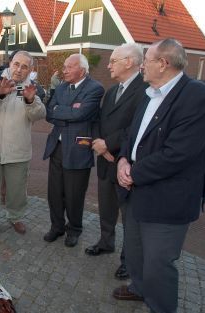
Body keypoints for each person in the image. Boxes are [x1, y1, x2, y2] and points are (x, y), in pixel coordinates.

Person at [114, 38, 205, 313]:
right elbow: (131, 135)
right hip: (135, 189)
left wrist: (132, 172)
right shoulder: (150, 93)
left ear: (163, 63)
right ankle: (138, 288)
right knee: (134, 250)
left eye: (146, 61)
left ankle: (160, 306)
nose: (141, 67)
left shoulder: (197, 96)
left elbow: (179, 154)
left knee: (159, 262)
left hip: (167, 198)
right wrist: (123, 158)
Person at [85, 43, 148, 281]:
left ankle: (128, 260)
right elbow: (98, 120)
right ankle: (106, 241)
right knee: (106, 206)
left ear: (129, 62)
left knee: (129, 215)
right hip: (105, 160)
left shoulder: (145, 90)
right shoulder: (111, 91)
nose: (108, 65)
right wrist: (100, 146)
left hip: (126, 163)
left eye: (113, 60)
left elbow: (137, 127)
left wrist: (109, 145)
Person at [0, 50, 46, 237]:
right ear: (10, 63)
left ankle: (15, 217)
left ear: (30, 70)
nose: (19, 70)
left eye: (25, 67)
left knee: (17, 188)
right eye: (16, 64)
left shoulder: (33, 88)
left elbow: (39, 114)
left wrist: (30, 101)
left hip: (18, 149)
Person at [42, 54, 104, 247]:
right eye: (65, 67)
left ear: (82, 70)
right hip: (57, 147)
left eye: (69, 67)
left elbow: (81, 113)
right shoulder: (60, 87)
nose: (64, 70)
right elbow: (49, 112)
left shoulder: (95, 88)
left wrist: (63, 110)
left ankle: (74, 229)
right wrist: (69, 110)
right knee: (54, 192)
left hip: (78, 149)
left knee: (74, 194)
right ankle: (57, 227)